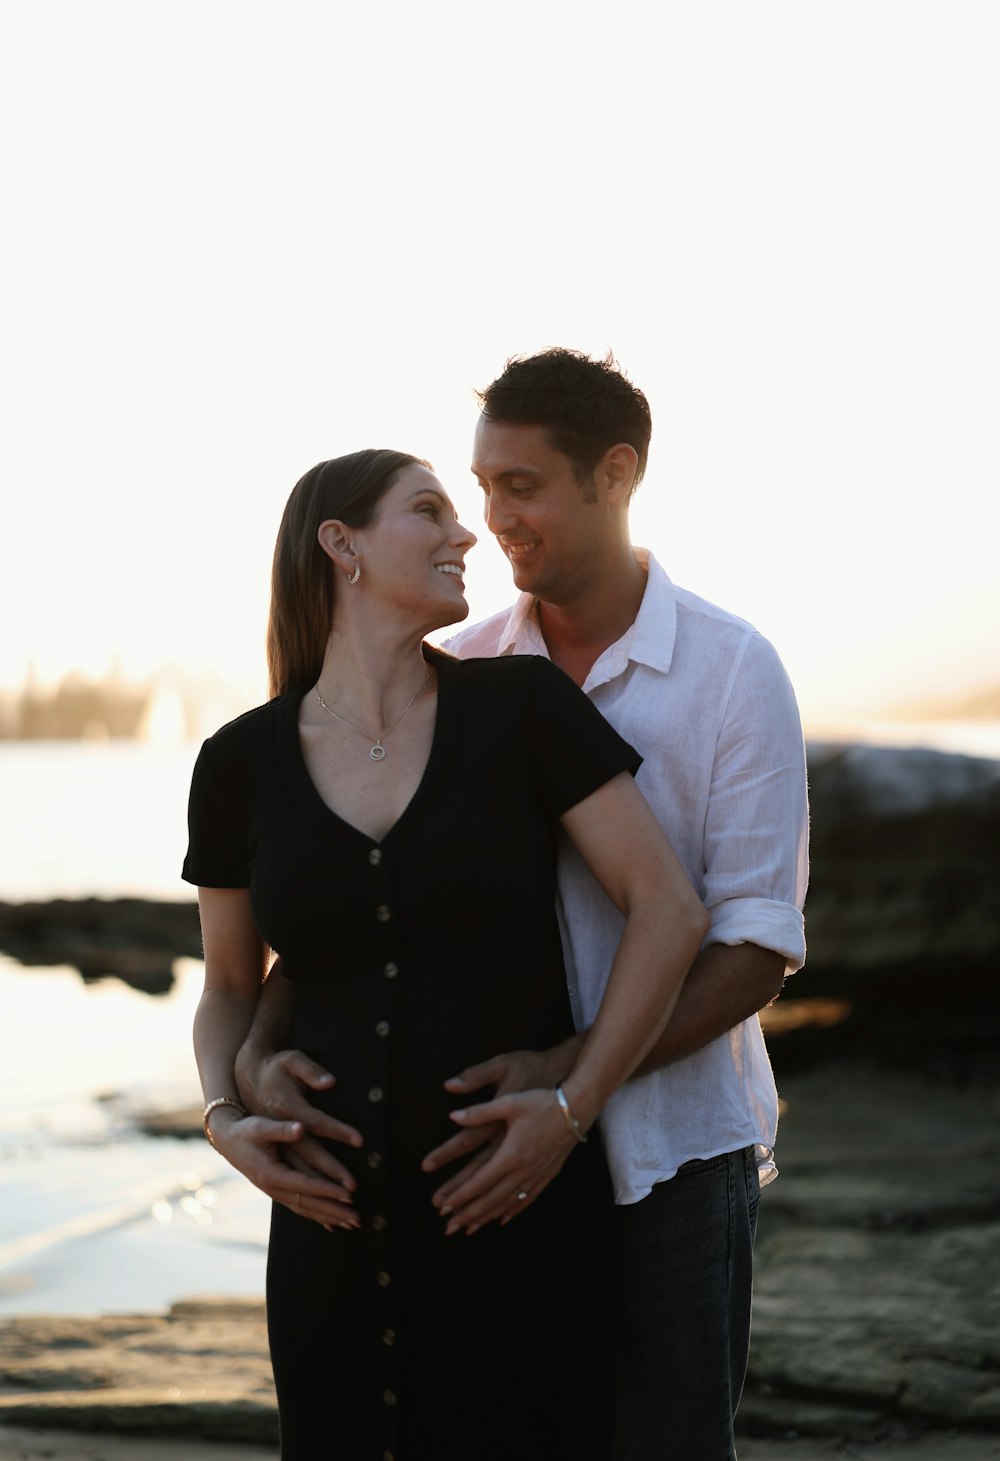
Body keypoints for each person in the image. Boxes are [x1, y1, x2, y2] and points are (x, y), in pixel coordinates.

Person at [235, 352, 809, 1460]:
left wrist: (573, 1076)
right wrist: (257, 1059)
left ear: (616, 474)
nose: (493, 519)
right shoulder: (466, 668)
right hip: (483, 1150)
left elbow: (752, 948)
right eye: (478, 486)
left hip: (672, 1156)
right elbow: (359, 909)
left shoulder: (735, 671)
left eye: (522, 486)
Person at [184, 447, 707, 1461]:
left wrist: (571, 1106)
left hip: (515, 1215)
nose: (464, 532)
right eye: (427, 511)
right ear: (341, 545)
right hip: (327, 1232)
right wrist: (223, 1115)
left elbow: (669, 909)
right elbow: (226, 988)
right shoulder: (237, 763)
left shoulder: (520, 710)